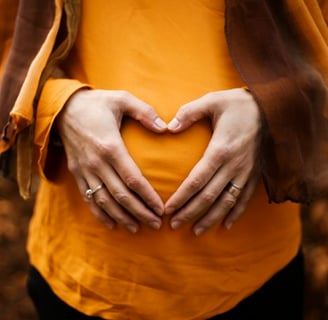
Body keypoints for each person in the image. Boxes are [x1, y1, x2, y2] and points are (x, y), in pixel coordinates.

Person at [0, 0, 327, 319]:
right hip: (86, 274)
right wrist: (59, 107)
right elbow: (7, 46)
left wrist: (271, 108)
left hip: (253, 275)